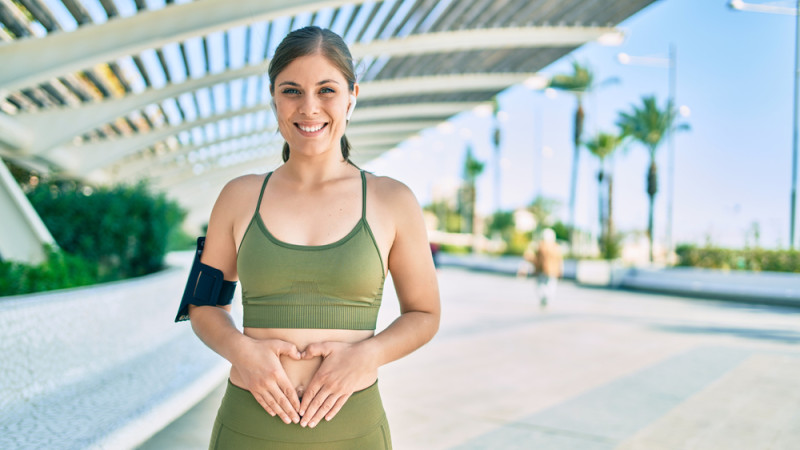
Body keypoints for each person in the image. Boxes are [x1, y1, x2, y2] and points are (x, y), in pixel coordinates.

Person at [181, 26, 440, 449]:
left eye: (326, 90)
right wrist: (242, 351)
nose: (309, 108)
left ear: (352, 95)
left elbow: (425, 314)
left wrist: (367, 355)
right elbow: (203, 305)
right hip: (248, 428)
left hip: (353, 431)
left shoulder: (392, 200)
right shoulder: (238, 196)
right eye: (291, 91)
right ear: (273, 98)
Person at [527, 228, 563, 307]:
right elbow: (560, 260)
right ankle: (547, 299)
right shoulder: (556, 247)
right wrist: (560, 270)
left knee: (540, 286)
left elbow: (537, 259)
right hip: (553, 271)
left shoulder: (540, 246)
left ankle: (544, 298)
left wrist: (535, 269)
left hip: (542, 270)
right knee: (551, 285)